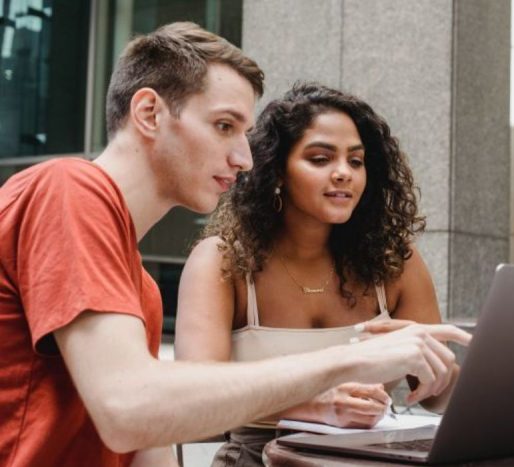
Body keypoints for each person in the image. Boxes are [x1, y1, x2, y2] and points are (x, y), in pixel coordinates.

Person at [0, 23, 470, 467]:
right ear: (149, 113)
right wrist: (351, 359)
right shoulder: (69, 188)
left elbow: (152, 440)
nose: (244, 158)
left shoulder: (139, 288)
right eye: (225, 126)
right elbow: (128, 409)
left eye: (244, 134)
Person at [174, 82, 454, 465]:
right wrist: (310, 405)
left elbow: (439, 399)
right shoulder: (223, 261)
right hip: (258, 459)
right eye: (321, 159)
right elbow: (192, 401)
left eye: (355, 161)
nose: (344, 173)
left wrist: (443, 372)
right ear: (276, 172)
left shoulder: (394, 262)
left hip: (371, 459)